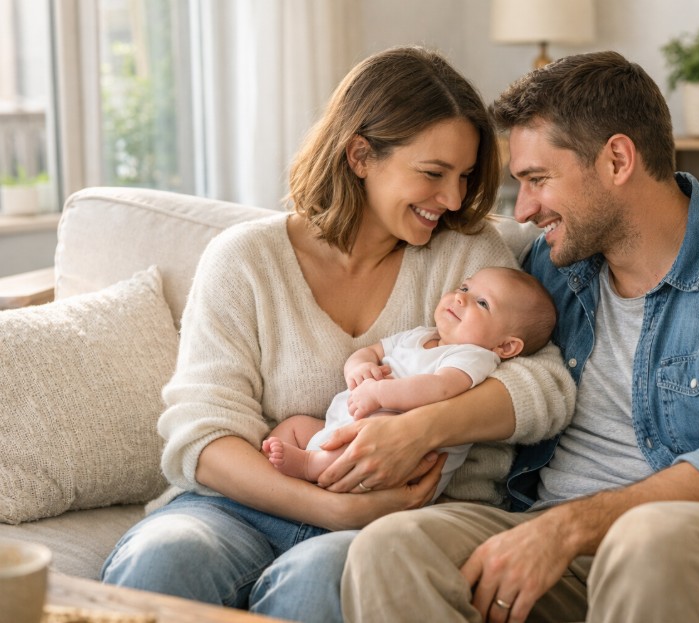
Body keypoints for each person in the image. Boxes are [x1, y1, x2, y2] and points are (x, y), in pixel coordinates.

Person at [342, 51, 699, 622]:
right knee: (392, 547)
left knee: (648, 542)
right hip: (553, 539)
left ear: (618, 159)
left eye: (538, 180)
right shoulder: (553, 271)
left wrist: (569, 527)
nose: (522, 211)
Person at [99, 46, 575, 623]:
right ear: (360, 155)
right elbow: (201, 434)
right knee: (163, 561)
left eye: (464, 176)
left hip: (398, 522)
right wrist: (327, 506)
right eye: (432, 174)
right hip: (241, 508)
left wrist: (423, 429)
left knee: (321, 579)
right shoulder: (246, 260)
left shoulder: (466, 259)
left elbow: (545, 383)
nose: (452, 200)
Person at [263, 266, 557, 500]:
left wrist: (380, 392)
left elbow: (439, 388)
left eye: (482, 303)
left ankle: (307, 465)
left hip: (397, 459)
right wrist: (360, 366)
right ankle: (276, 471)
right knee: (296, 425)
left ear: (506, 347)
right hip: (342, 426)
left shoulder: (474, 357)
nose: (460, 298)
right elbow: (373, 351)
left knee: (380, 424)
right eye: (464, 288)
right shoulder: (420, 335)